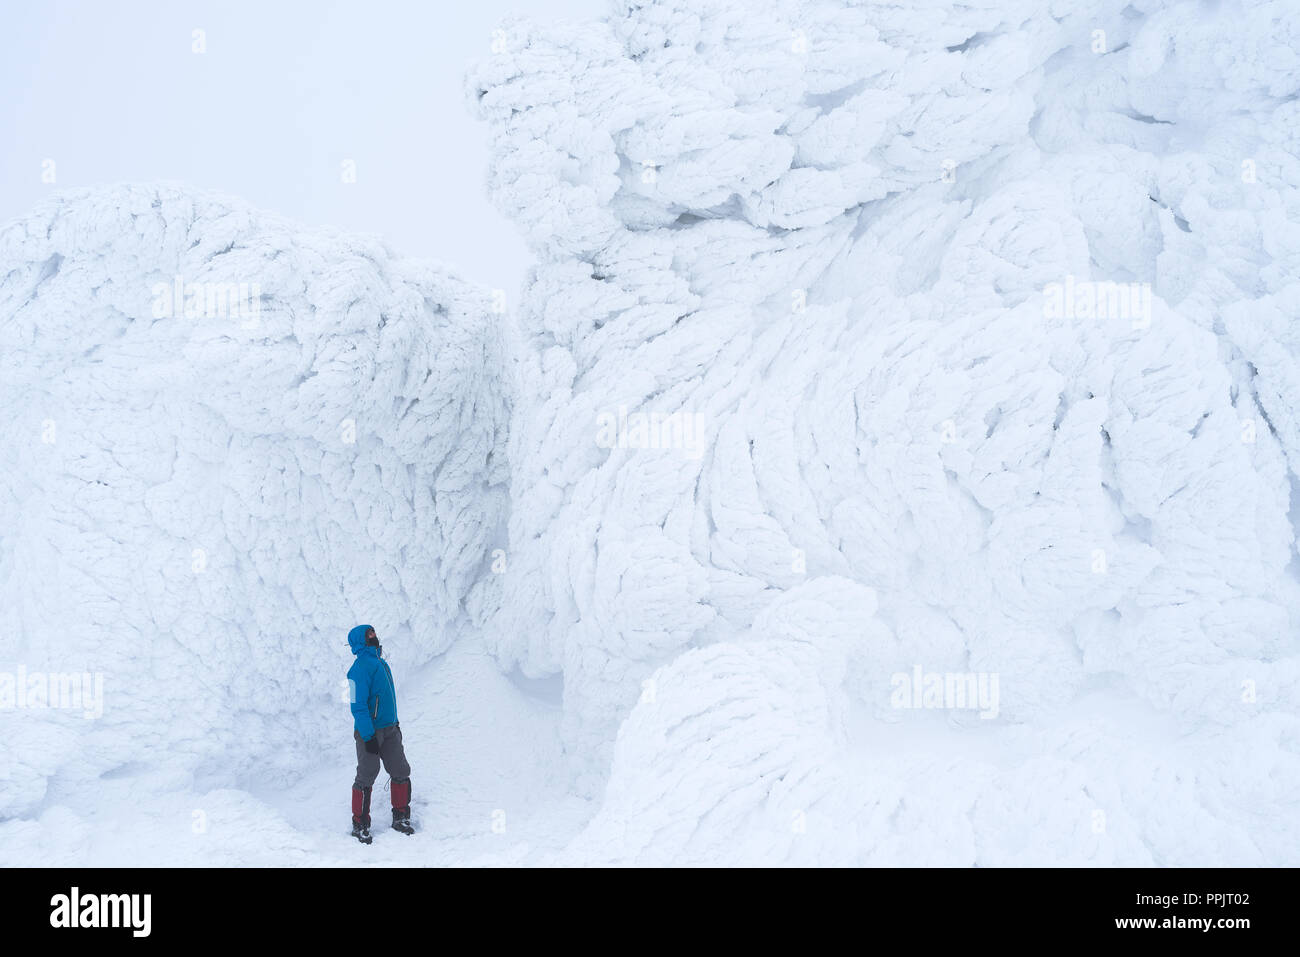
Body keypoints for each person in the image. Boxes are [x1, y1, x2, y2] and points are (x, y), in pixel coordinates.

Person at [346, 624, 413, 843]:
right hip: (370, 732)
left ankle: (400, 817)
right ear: (360, 641)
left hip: (390, 729)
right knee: (367, 775)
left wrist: (395, 723)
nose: (374, 636)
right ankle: (360, 824)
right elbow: (357, 706)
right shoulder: (358, 669)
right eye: (369, 634)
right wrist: (368, 736)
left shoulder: (381, 663)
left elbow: (387, 699)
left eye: (373, 632)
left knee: (400, 769)